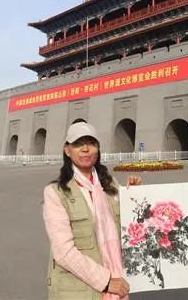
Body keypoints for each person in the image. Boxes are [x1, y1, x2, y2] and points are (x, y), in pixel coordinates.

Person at [43, 122, 142, 300]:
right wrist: (106, 281)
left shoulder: (110, 185)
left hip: (118, 280)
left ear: (98, 148)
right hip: (80, 289)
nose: (86, 149)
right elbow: (63, 252)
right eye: (78, 143)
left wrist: (135, 196)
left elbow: (131, 229)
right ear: (67, 150)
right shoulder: (56, 192)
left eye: (91, 143)